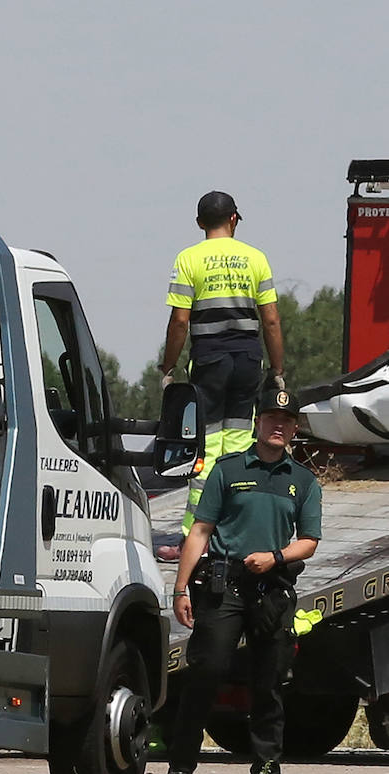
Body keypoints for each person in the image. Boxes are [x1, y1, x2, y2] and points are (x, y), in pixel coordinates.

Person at [157, 386, 321, 774]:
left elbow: (309, 541)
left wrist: (275, 557)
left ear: (295, 429)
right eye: (271, 418)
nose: (278, 426)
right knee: (203, 676)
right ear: (258, 423)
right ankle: (178, 773)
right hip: (223, 587)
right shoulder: (228, 470)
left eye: (286, 421)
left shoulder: (302, 481)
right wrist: (180, 586)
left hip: (271, 590)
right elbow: (200, 531)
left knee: (269, 686)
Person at [159, 191, 286, 537]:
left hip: (209, 360)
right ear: (234, 220)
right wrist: (277, 371)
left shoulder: (188, 259)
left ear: (200, 223)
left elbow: (180, 322)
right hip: (248, 358)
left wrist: (168, 367)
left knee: (207, 445)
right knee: (241, 443)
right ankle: (236, 527)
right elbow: (271, 320)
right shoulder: (256, 258)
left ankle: (196, 532)